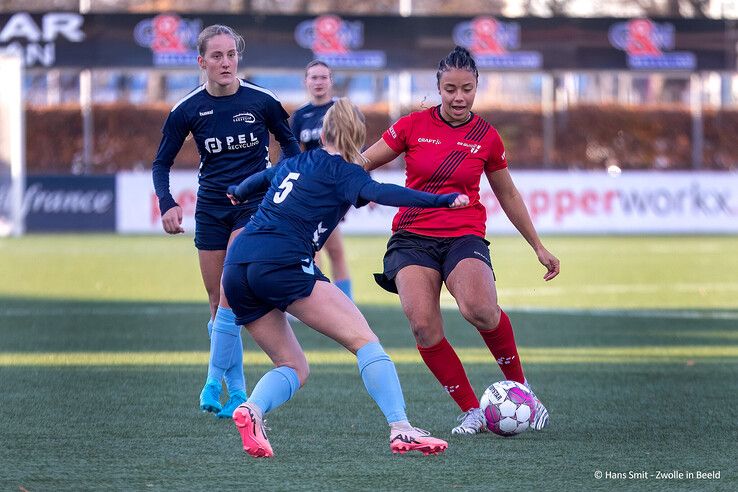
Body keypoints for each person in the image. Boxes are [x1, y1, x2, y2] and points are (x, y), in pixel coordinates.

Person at [221, 98, 466, 457]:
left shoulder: (297, 160)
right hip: (282, 261)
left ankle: (251, 410)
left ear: (323, 132)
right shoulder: (346, 172)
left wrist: (238, 191)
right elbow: (384, 192)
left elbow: (262, 178)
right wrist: (441, 200)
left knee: (293, 365)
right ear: (358, 136)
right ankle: (402, 429)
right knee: (365, 341)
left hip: (238, 264)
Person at [361, 46, 560, 435]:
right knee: (422, 326)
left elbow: (509, 195)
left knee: (480, 310)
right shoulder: (411, 126)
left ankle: (524, 392)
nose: (458, 97)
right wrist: (339, 182)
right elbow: (362, 163)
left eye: (466, 89)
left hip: (463, 234)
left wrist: (538, 245)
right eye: (450, 89)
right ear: (438, 87)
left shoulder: (486, 137)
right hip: (411, 238)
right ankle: (472, 410)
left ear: (476, 88)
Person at [151, 24, 301, 418]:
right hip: (211, 209)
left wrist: (276, 182)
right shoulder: (186, 109)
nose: (226, 62)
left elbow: (290, 146)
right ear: (202, 62)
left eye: (231, 54)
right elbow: (161, 162)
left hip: (253, 207)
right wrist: (167, 203)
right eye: (216, 56)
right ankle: (236, 392)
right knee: (218, 303)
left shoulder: (263, 101)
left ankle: (211, 380)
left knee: (230, 294)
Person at [290, 60, 353, 300]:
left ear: (331, 80)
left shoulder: (343, 109)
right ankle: (312, 301)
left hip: (334, 192)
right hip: (308, 191)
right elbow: (291, 154)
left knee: (334, 250)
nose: (318, 82)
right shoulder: (299, 116)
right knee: (310, 249)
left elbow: (357, 148)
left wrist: (356, 185)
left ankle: (346, 302)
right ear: (306, 81)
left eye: (323, 77)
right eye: (313, 77)